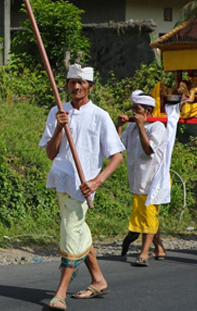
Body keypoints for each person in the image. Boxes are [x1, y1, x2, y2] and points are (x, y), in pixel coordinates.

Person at [40, 65, 124, 309]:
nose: (76, 87)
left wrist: (97, 181)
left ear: (90, 86)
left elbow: (117, 155)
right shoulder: (57, 110)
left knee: (70, 234)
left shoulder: (100, 115)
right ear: (67, 85)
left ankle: (60, 293)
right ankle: (98, 280)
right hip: (61, 180)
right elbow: (50, 153)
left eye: (81, 83)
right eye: (72, 82)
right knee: (78, 232)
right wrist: (59, 126)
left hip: (83, 186)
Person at [117, 90, 168, 266]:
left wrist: (141, 126)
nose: (134, 113)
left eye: (137, 109)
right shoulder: (132, 127)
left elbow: (148, 150)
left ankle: (144, 253)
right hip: (138, 179)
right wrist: (120, 126)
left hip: (154, 179)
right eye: (133, 109)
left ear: (147, 111)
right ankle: (159, 248)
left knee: (148, 216)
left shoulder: (157, 127)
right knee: (149, 215)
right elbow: (117, 148)